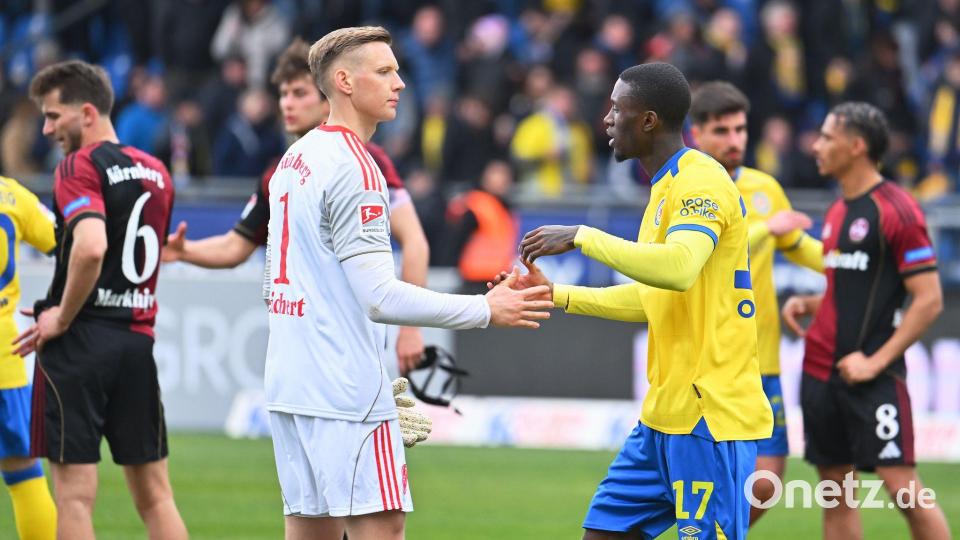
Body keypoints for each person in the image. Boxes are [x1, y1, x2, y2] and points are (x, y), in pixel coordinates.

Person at [262, 26, 552, 540]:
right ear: (345, 81)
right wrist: (487, 310)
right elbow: (378, 297)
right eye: (385, 72)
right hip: (344, 390)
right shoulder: (358, 166)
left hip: (290, 382)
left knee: (311, 531)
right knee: (383, 527)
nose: (400, 83)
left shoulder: (295, 157)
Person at [500, 62, 772, 540]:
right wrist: (557, 294)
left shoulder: (701, 181)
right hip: (661, 418)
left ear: (648, 120)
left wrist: (584, 236)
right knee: (602, 534)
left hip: (708, 418)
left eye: (617, 108)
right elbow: (654, 299)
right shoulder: (663, 187)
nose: (606, 119)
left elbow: (680, 267)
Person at [162, 38, 430, 375]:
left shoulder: (365, 162)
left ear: (327, 99)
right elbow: (236, 246)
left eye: (299, 93)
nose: (287, 103)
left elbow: (415, 242)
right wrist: (184, 251)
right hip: (298, 343)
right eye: (283, 94)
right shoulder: (278, 171)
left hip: (350, 342)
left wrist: (410, 329)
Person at [15, 60, 186, 540]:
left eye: (54, 116)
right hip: (135, 341)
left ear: (87, 112)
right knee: (156, 496)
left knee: (73, 496)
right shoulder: (157, 172)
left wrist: (60, 318)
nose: (48, 129)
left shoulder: (78, 166)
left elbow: (91, 246)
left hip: (82, 344)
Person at [781, 102, 951, 540]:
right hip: (820, 373)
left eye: (826, 138)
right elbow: (852, 290)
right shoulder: (839, 209)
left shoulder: (898, 210)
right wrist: (812, 303)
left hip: (871, 377)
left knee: (905, 492)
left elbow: (928, 301)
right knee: (836, 494)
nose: (815, 146)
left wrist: (875, 363)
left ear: (857, 146)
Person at [688, 80, 824, 524]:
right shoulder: (687, 189)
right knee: (707, 482)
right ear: (696, 134)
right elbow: (707, 250)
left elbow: (799, 244)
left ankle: (718, 534)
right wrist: (769, 227)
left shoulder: (765, 188)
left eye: (741, 129)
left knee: (765, 483)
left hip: (761, 361)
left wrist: (854, 265)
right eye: (722, 131)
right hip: (710, 365)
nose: (734, 140)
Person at [0, 175, 57, 539]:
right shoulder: (11, 194)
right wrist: (60, 307)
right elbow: (70, 242)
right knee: (23, 472)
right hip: (4, 358)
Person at [446, 160, 518, 293]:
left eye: (505, 175)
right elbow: (455, 240)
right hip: (475, 279)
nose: (501, 179)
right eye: (496, 174)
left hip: (499, 277)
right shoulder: (476, 204)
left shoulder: (505, 208)